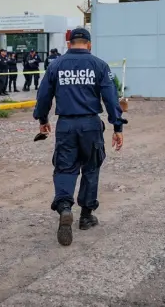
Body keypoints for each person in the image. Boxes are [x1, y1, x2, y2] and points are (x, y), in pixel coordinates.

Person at [34, 27, 127, 247]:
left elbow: (44, 94)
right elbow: (111, 98)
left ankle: (65, 207)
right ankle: (86, 216)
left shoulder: (55, 65)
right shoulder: (99, 65)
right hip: (90, 124)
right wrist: (117, 127)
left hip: (66, 124)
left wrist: (42, 119)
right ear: (89, 44)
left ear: (69, 43)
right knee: (91, 167)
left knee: (65, 167)